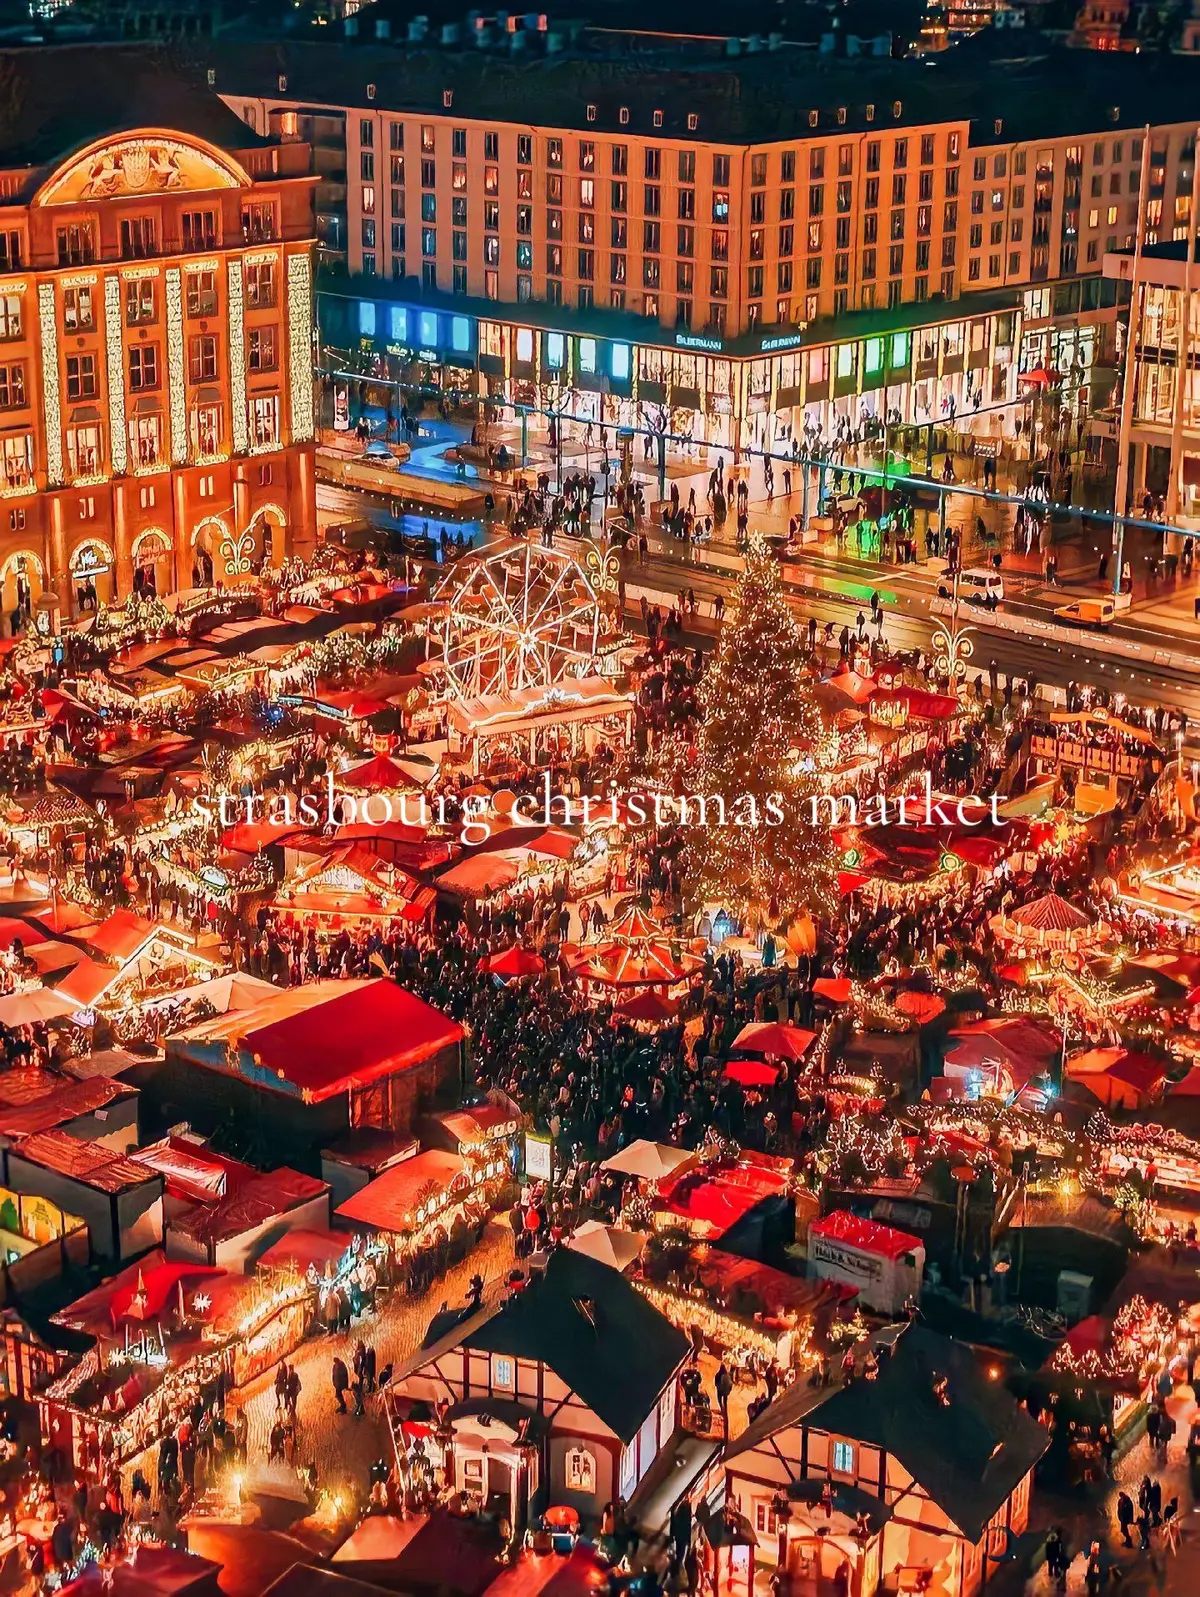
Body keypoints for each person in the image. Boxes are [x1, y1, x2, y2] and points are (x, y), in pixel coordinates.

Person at [714, 1361, 734, 1437]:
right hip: (725, 1391)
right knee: (725, 1401)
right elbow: (730, 1384)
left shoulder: (718, 1375)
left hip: (720, 1390)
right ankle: (725, 1410)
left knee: (719, 1399)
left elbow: (715, 1383)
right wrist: (728, 1391)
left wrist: (718, 1387)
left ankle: (722, 1409)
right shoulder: (727, 1376)